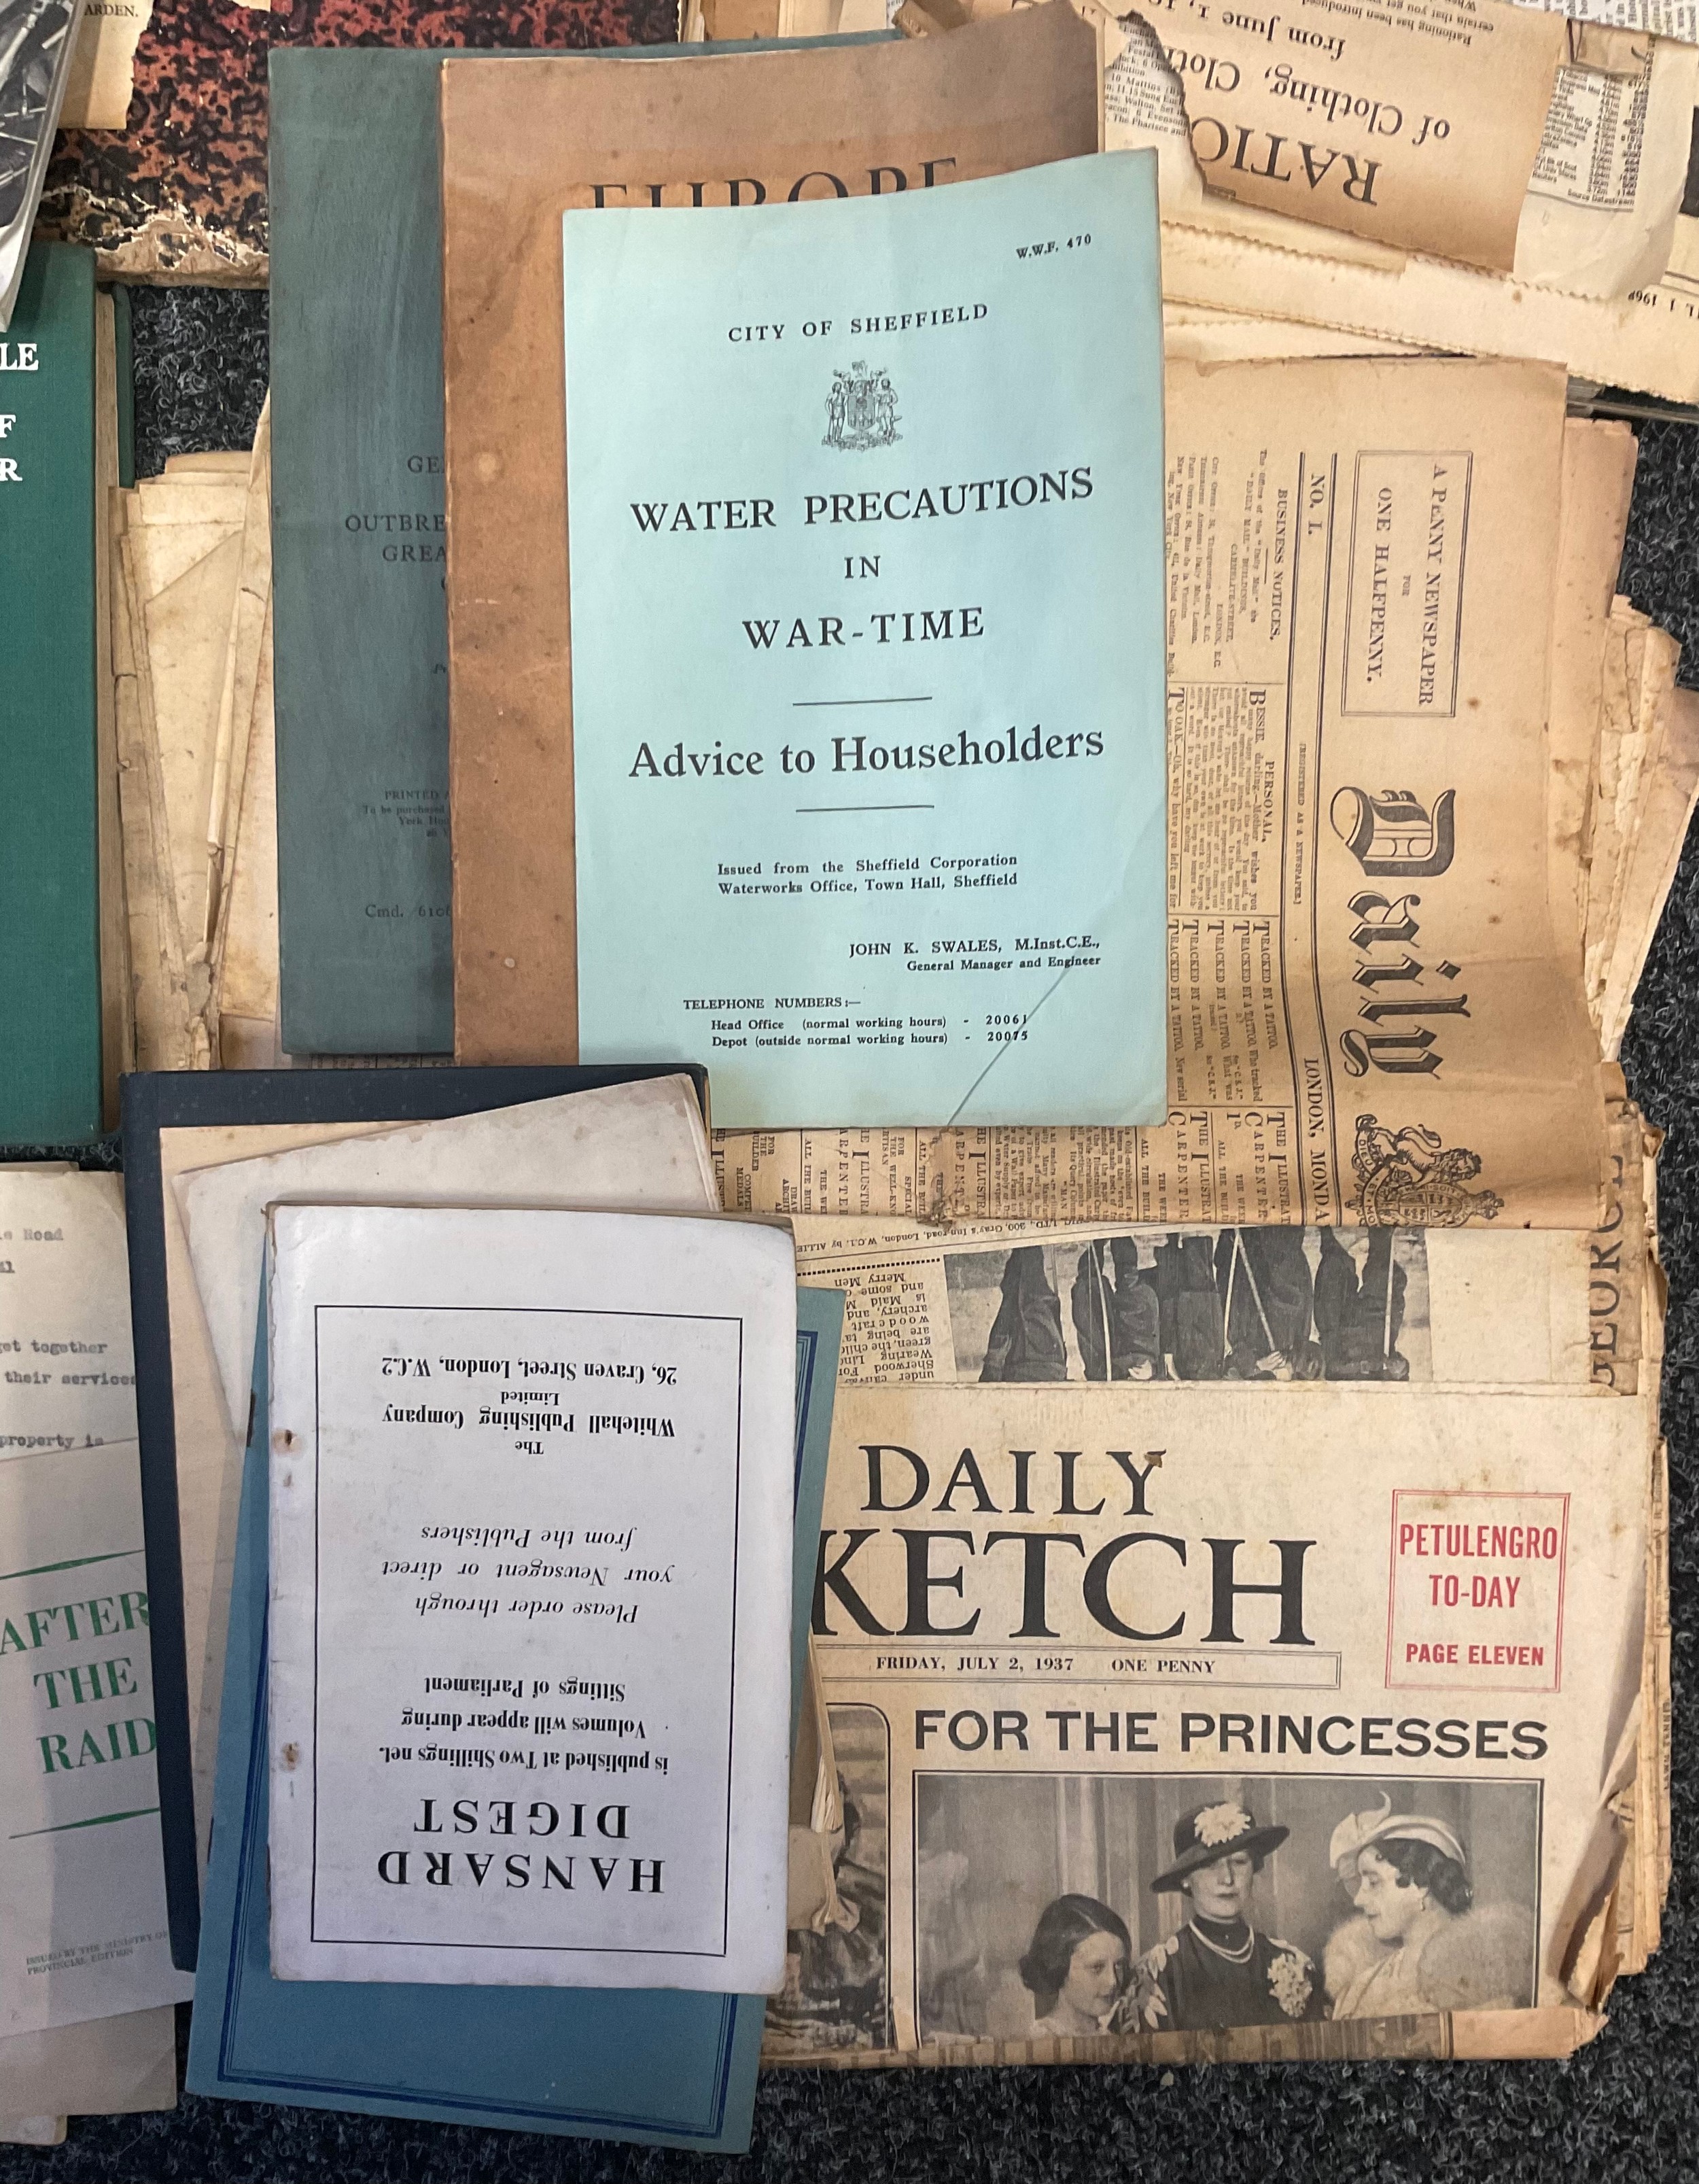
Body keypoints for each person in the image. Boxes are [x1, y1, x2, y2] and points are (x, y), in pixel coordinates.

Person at [1118, 1802, 1320, 2030]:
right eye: (1210, 1864)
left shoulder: (1294, 1965)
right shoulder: (1160, 1973)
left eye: (1239, 1862)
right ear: (1185, 1879)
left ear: (1254, 1868)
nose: (1228, 1879)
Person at [1324, 1799, 1534, 2017]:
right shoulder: (1360, 1992)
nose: (1358, 1900)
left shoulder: (1484, 1981)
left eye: (1374, 1882)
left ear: (1420, 1883)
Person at [1214, 1227, 1323, 1380]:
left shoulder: (1258, 1373)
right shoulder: (1294, 1343)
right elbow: (1312, 1359)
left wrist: (1258, 1366)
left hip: (1245, 1291)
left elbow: (1229, 1368)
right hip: (1279, 1273)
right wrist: (1291, 1366)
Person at [1017, 1894, 1132, 2037]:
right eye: (1097, 1967)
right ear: (1060, 1968)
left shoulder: (1109, 2036)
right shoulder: (1043, 2041)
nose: (1113, 1981)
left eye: (1119, 1966)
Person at [1312, 1228, 1410, 1380]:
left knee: (1331, 1283)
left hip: (1338, 1336)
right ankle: (1380, 1228)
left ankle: (1328, 1236)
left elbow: (1326, 1372)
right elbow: (1402, 1379)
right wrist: (1400, 1369)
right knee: (1382, 1276)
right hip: (1376, 1334)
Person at [1071, 1238, 1161, 1381]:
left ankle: (1096, 1246)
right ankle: (1120, 1237)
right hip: (1136, 1363)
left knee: (1088, 1301)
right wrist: (1154, 1371)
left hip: (1104, 1374)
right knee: (1132, 1293)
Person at [979, 1246, 1068, 1381]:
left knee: (1023, 1291)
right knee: (1031, 1293)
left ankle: (1026, 1248)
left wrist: (994, 1361)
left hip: (1026, 1362)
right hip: (1037, 1363)